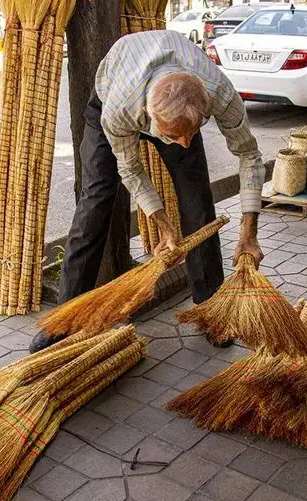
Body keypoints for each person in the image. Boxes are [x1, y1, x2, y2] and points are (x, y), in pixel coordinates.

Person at [29, 29, 265, 353]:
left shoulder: (216, 91)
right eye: (174, 135)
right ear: (148, 117)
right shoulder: (121, 110)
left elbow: (249, 155)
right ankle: (62, 321)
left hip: (176, 104)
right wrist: (165, 228)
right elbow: (131, 170)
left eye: (192, 133)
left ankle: (211, 309)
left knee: (198, 204)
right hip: (110, 100)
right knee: (95, 202)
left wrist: (249, 233)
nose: (184, 143)